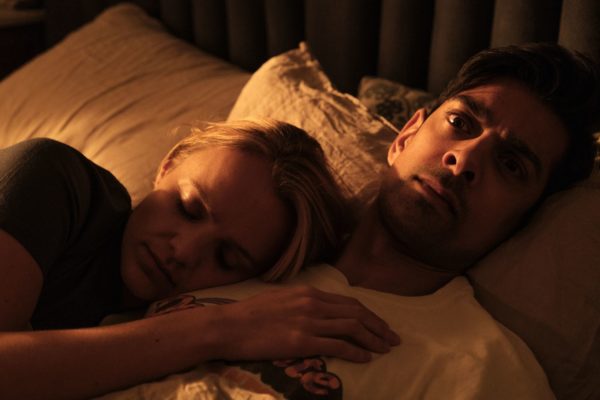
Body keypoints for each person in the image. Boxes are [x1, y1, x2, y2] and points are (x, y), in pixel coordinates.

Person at [103, 43, 600, 399]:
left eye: (511, 165)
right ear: (405, 135)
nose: (465, 160)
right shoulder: (246, 247)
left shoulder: (483, 371)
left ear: (524, 220)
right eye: (461, 123)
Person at [0, 119, 401, 399]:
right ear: (169, 164)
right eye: (188, 208)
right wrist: (216, 329)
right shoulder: (52, 181)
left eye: (226, 258)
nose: (183, 252)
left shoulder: (155, 314)